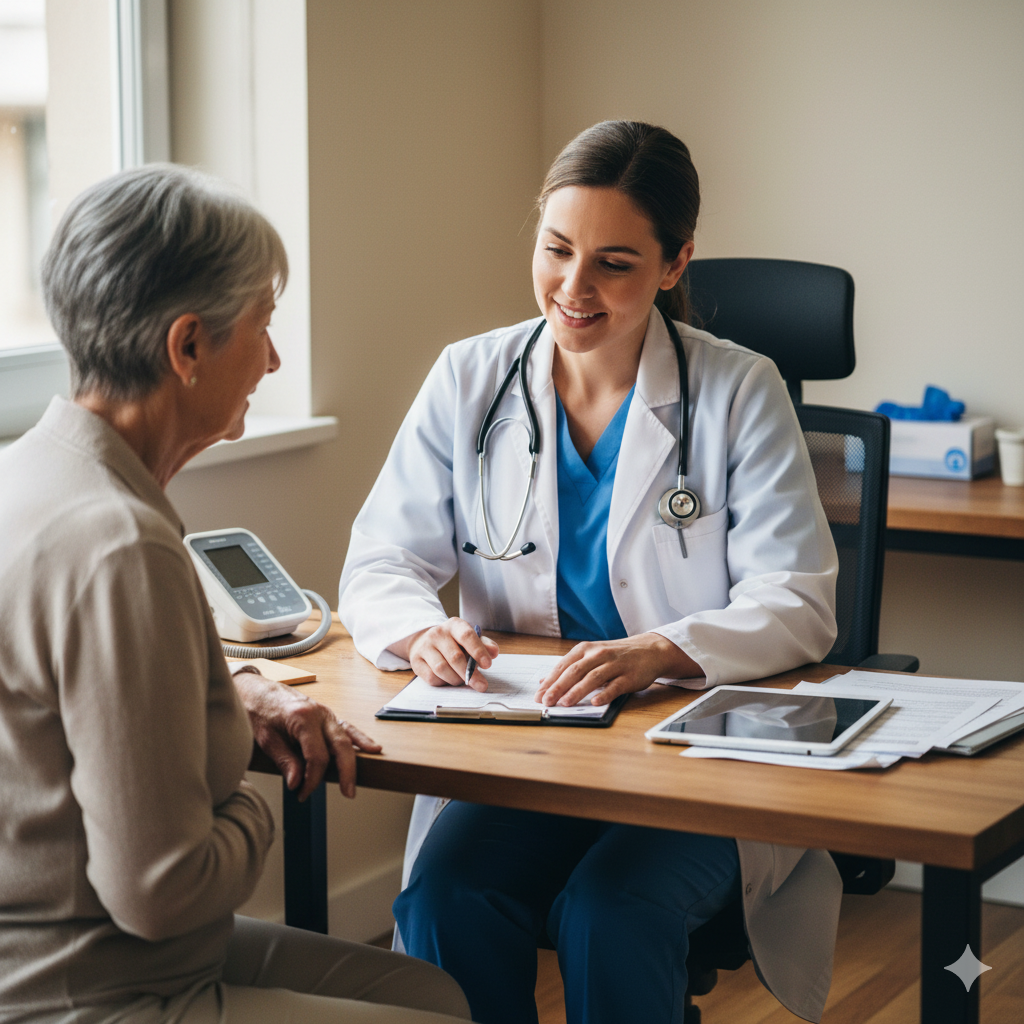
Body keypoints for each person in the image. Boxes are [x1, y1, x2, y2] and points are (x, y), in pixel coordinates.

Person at [339, 121, 844, 1024]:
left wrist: (659, 650)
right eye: (556, 249)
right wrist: (424, 628)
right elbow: (383, 558)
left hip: (692, 757)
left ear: (675, 262)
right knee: (440, 901)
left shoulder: (739, 391)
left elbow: (797, 601)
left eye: (613, 262)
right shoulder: (471, 377)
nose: (572, 289)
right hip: (534, 754)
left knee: (612, 911)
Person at [0, 165, 471, 1024]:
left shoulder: (32, 475)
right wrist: (257, 800)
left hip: (87, 946)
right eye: (263, 325)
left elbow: (84, 674)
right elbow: (165, 892)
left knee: (429, 991)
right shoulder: (119, 547)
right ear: (187, 347)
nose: (275, 358)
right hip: (94, 986)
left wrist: (237, 690)